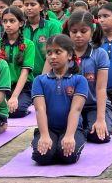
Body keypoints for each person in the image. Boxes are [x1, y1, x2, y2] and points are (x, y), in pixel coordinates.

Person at [31, 34, 88, 165]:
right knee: (42, 157)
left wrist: (69, 136)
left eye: (58, 52)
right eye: (49, 53)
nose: (53, 56)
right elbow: (40, 110)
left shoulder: (80, 80)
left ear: (69, 55)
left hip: (72, 129)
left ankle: (62, 145)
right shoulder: (39, 80)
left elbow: (76, 109)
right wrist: (44, 136)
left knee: (67, 156)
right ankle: (50, 144)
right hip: (48, 129)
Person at [65, 10, 112, 143]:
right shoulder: (63, 54)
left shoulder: (100, 54)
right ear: (69, 32)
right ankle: (83, 127)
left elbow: (101, 89)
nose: (78, 35)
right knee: (70, 133)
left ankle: (96, 125)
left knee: (99, 136)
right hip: (70, 107)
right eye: (74, 31)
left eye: (83, 31)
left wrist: (100, 119)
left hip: (95, 105)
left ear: (91, 32)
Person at [0, 6, 35, 118]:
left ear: (20, 23)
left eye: (12, 21)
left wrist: (14, 97)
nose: (8, 24)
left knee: (16, 111)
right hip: (3, 86)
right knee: (0, 108)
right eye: (5, 21)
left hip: (23, 87)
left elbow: (25, 73)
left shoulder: (28, 44)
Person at [23, 0, 61, 78]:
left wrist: (42, 79)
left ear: (41, 7)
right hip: (23, 79)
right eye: (26, 5)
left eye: (33, 4)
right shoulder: (20, 27)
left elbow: (53, 53)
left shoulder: (52, 26)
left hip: (48, 76)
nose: (29, 8)